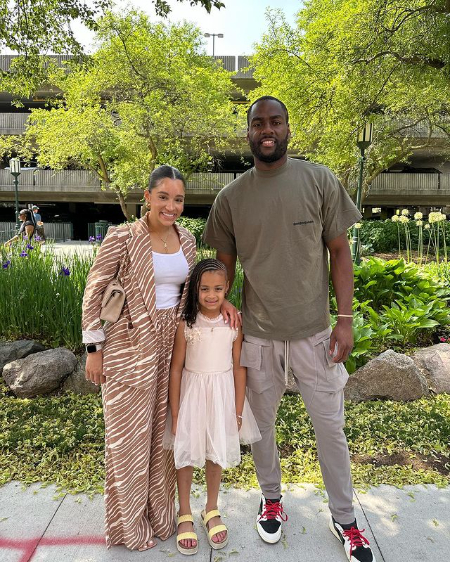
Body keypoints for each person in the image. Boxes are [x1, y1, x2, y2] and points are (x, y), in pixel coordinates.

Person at [203, 96, 375, 562]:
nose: (267, 129)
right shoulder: (231, 198)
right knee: (260, 429)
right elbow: (222, 266)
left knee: (331, 429)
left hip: (315, 334)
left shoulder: (318, 179)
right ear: (248, 133)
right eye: (258, 123)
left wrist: (344, 319)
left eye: (275, 121)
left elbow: (340, 252)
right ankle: (271, 498)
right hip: (258, 335)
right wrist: (223, 320)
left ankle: (346, 520)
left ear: (287, 128)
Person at [82, 165, 197, 552]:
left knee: (162, 436)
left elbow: (192, 295)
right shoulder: (123, 237)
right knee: (128, 439)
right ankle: (128, 525)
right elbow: (95, 290)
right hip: (128, 346)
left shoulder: (189, 240)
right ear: (147, 197)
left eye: (178, 199)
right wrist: (94, 349)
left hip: (172, 346)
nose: (171, 205)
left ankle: (161, 515)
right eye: (163, 197)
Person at [164, 258, 261, 556]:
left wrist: (238, 409)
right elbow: (176, 368)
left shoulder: (233, 323)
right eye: (204, 288)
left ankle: (211, 508)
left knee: (214, 451)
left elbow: (238, 367)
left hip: (221, 395)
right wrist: (177, 411)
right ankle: (184, 512)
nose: (211, 295)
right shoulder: (187, 324)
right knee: (186, 454)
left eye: (218, 289)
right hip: (192, 395)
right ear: (195, 289)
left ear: (227, 289)